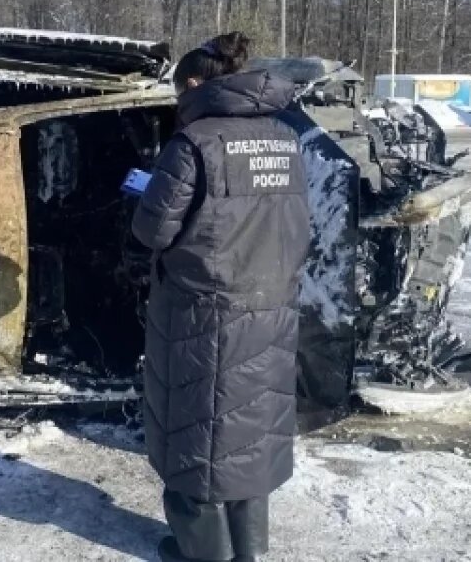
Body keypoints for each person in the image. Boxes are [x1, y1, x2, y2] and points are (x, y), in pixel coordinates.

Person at [131, 32, 311, 562]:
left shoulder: (193, 144)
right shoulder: (285, 136)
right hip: (273, 303)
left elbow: (153, 232)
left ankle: (203, 554)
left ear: (192, 84)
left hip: (203, 311)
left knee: (197, 437)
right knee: (249, 434)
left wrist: (145, 191)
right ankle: (248, 551)